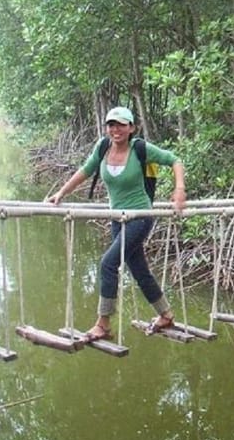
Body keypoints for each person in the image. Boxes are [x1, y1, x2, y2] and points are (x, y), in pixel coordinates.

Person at [46, 106, 186, 340]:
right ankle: (166, 314)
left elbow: (174, 160)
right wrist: (61, 193)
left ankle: (103, 323)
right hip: (116, 218)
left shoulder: (140, 148)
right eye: (111, 124)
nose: (115, 129)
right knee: (139, 270)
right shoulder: (102, 148)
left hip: (139, 216)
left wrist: (179, 189)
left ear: (131, 128)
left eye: (121, 124)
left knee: (108, 264)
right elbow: (85, 171)